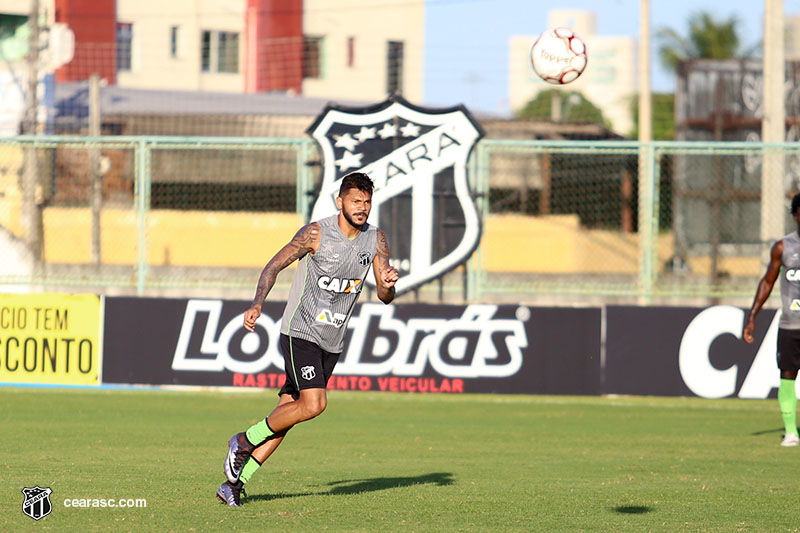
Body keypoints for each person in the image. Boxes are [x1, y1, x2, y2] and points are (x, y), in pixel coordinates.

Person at [216, 172, 399, 506]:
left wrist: (387, 283)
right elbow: (272, 267)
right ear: (339, 201)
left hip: (332, 341)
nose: (362, 208)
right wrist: (257, 303)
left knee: (290, 412)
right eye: (356, 201)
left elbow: (386, 296)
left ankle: (234, 485)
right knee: (315, 404)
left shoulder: (376, 240)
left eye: (367, 202)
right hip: (299, 332)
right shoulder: (316, 233)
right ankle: (243, 440)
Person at [743, 192, 800, 447]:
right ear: (796, 216)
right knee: (787, 376)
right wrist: (752, 316)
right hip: (791, 325)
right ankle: (791, 432)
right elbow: (768, 282)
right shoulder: (783, 247)